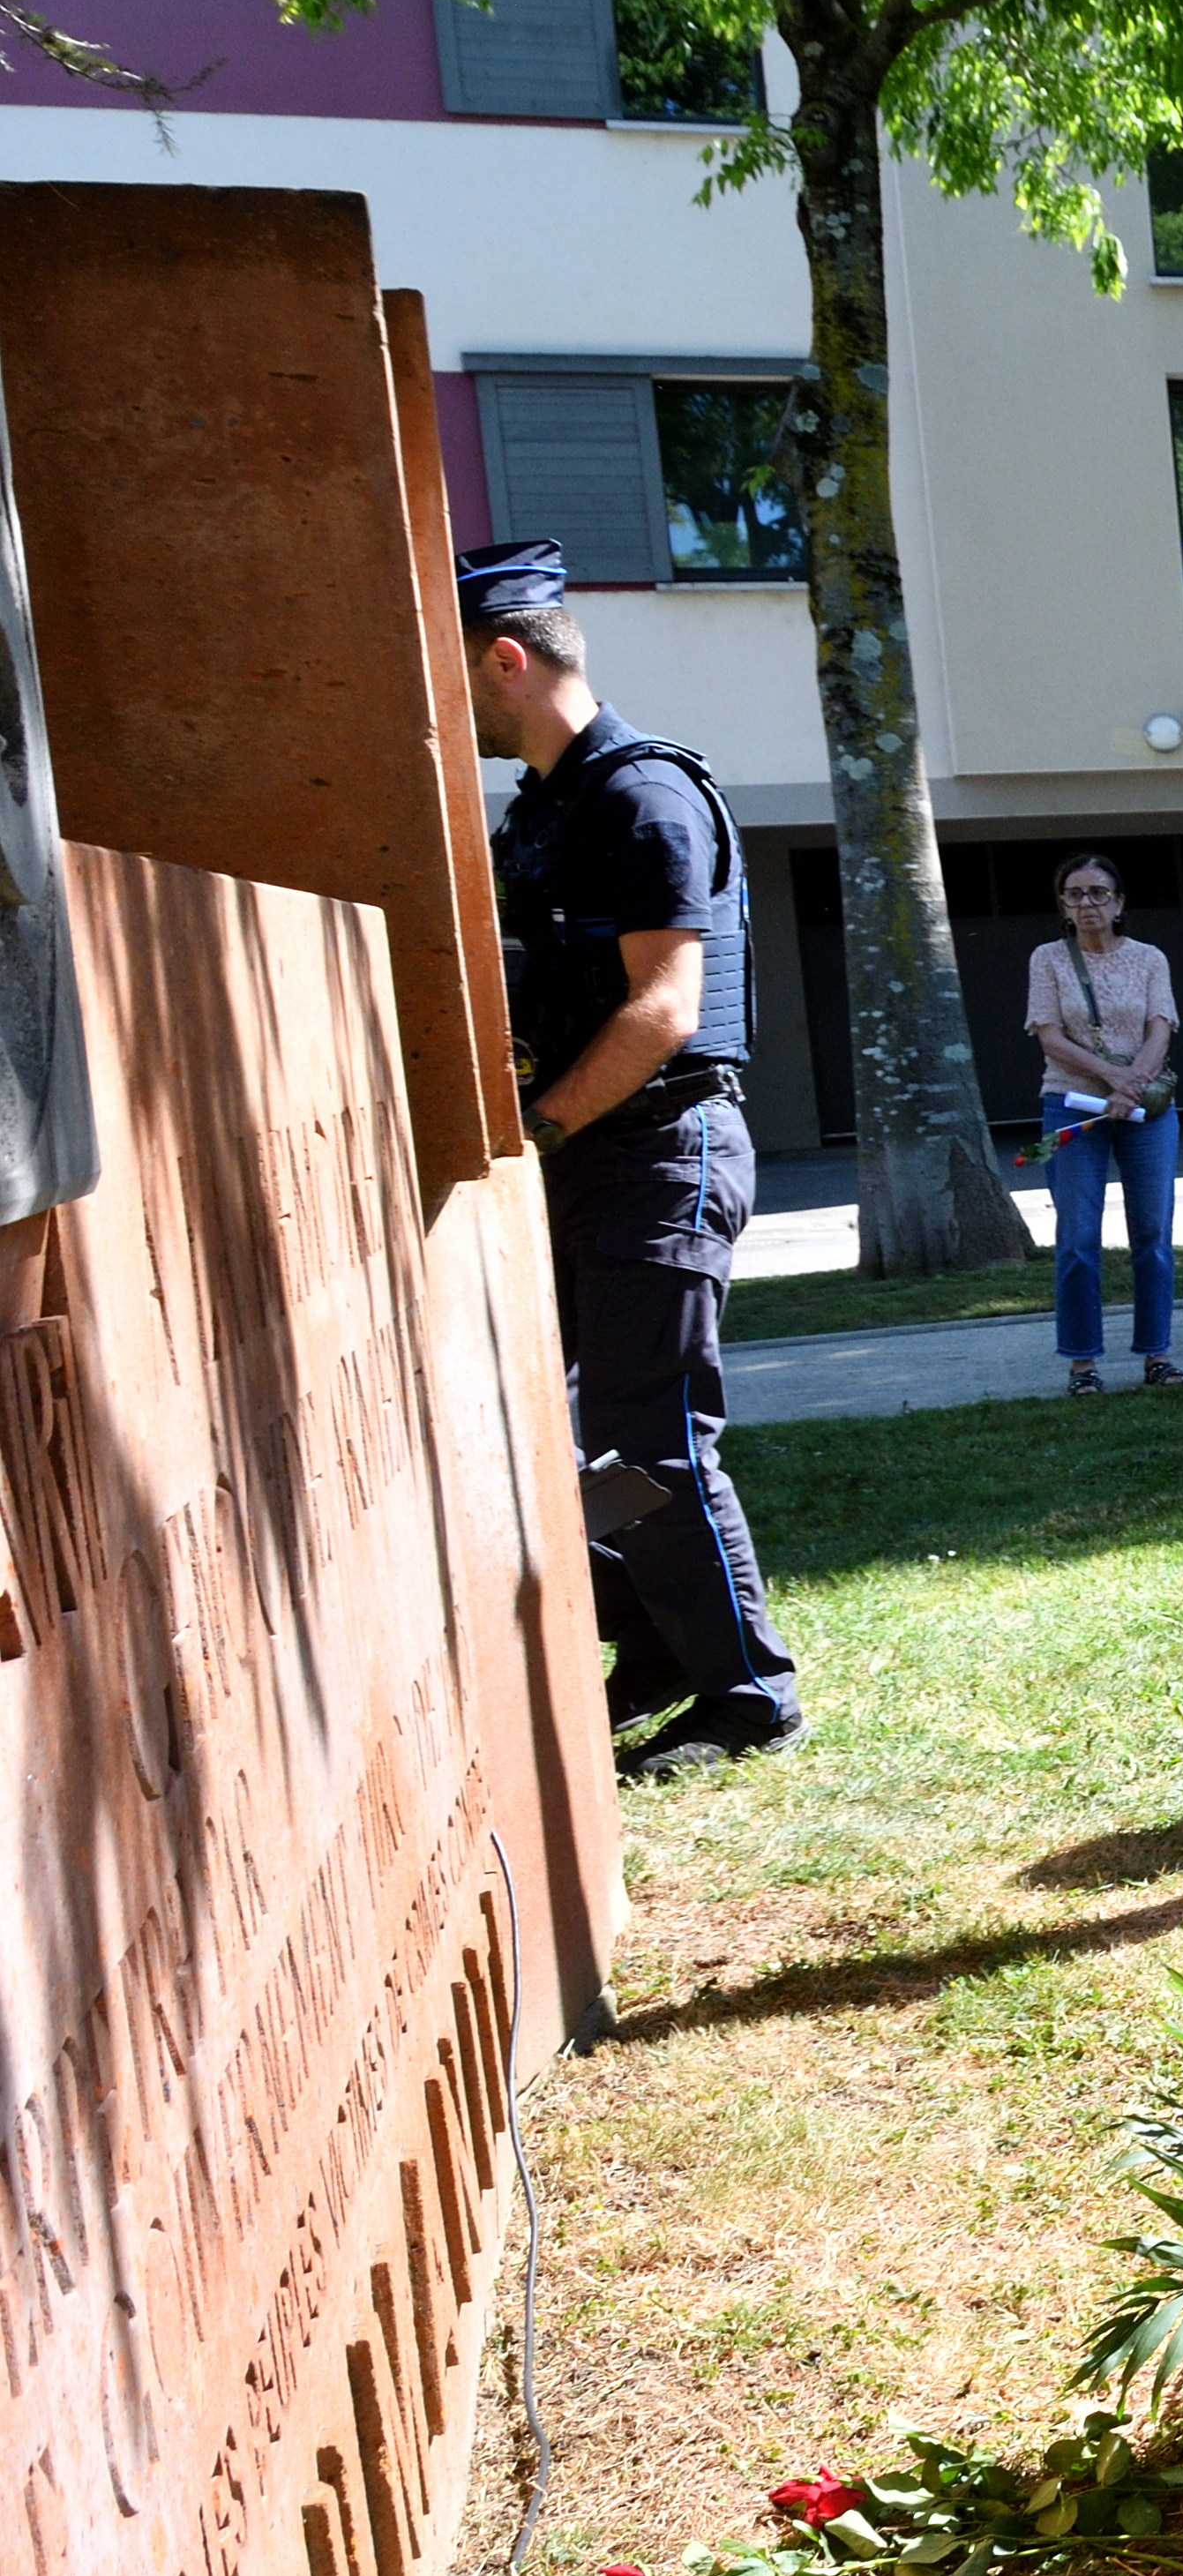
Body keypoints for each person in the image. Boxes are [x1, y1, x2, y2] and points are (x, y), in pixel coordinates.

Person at [459, 539, 805, 1778]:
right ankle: (657, 1642)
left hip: (658, 1148)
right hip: (584, 1157)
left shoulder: (642, 796)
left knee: (650, 1437)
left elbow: (663, 1007)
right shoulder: (542, 810)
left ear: (507, 658)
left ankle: (750, 1694)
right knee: (528, 1420)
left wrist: (536, 1130)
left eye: (450, 670)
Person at [1023, 850, 1183, 1393]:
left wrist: (1131, 1086)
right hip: (1070, 1106)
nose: (1087, 904)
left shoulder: (1149, 959)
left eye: (1098, 893)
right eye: (1074, 895)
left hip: (1146, 1111)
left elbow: (1160, 1027)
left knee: (1153, 1233)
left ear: (1119, 904)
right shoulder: (1048, 959)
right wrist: (1113, 1080)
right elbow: (1049, 1035)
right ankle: (1082, 1363)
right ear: (1063, 906)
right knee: (1077, 1237)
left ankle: (1157, 1355)